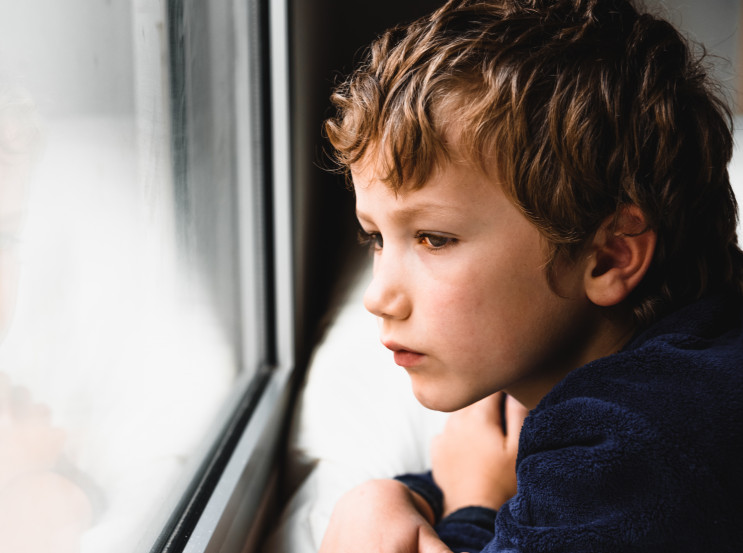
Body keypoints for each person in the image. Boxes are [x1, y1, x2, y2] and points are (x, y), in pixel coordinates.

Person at [317, 0, 743, 551]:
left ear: (610, 257)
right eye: (375, 238)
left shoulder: (631, 439)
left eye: (434, 239)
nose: (379, 297)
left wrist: (470, 507)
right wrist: (414, 495)